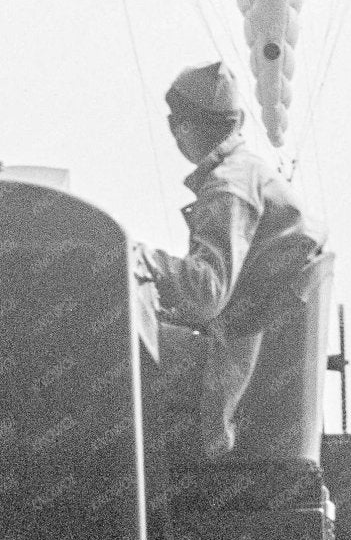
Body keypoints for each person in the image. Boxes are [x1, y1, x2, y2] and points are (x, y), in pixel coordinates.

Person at [135, 61, 331, 466]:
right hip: (244, 350)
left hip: (232, 363)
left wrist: (141, 258)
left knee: (114, 358)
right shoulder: (252, 172)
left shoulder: (228, 186)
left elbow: (207, 293)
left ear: (181, 128)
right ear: (238, 120)